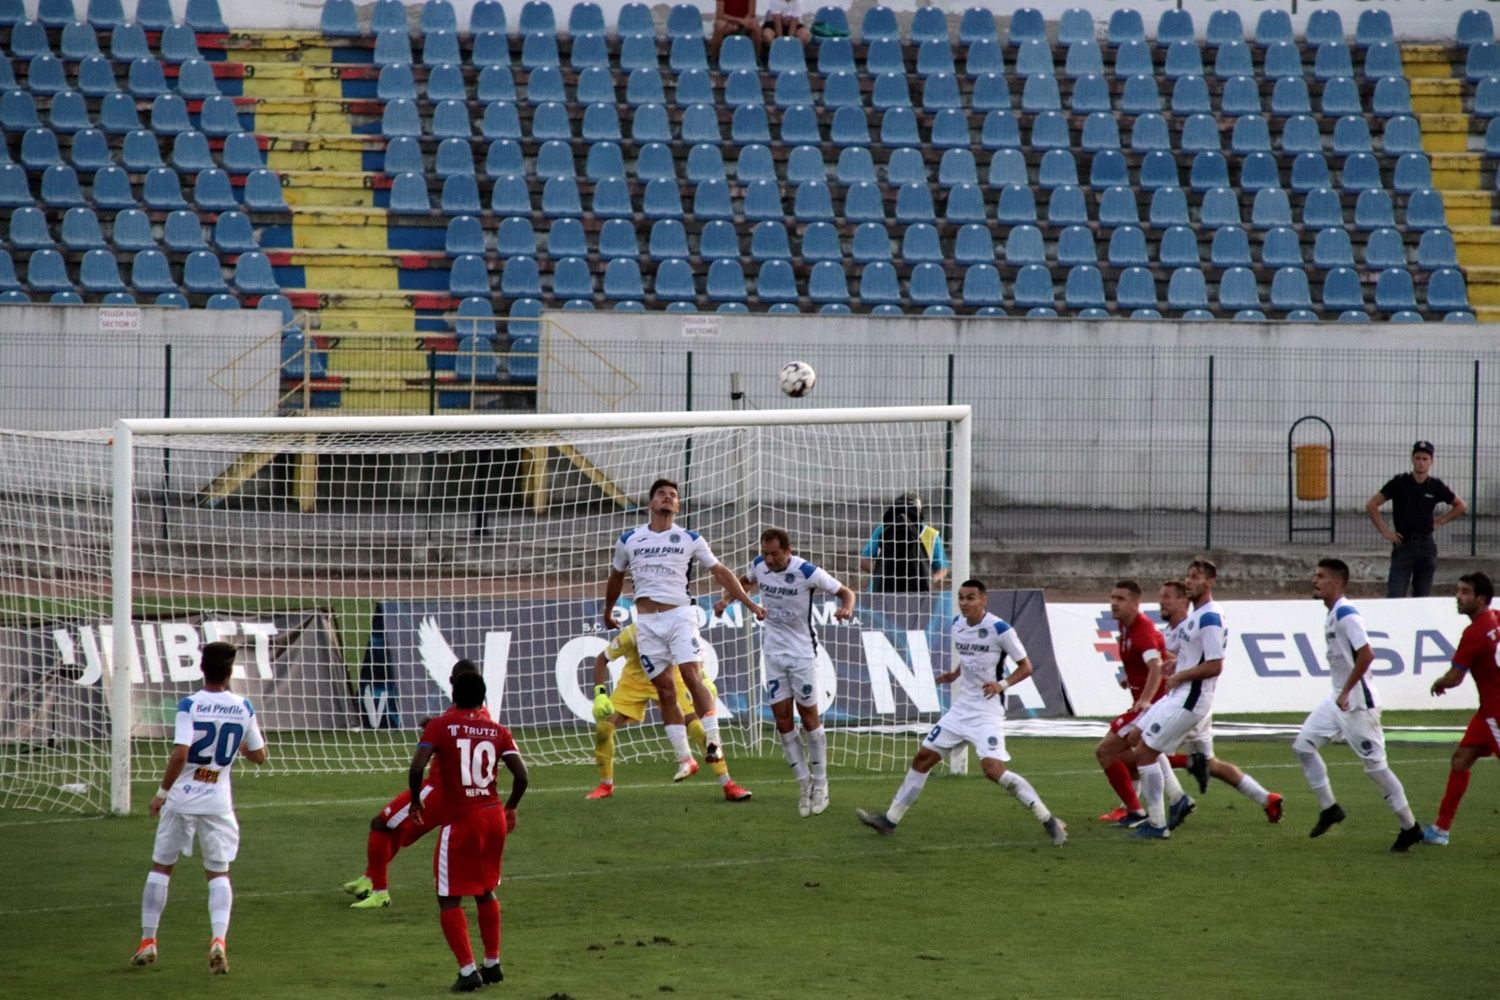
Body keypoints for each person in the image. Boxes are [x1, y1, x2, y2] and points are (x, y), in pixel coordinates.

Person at [855, 579, 1067, 846]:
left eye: (971, 598)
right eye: (961, 598)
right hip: (961, 709)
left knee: (993, 770)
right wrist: (955, 674)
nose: (965, 603)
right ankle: (889, 820)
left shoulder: (1000, 629)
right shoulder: (957, 624)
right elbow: (969, 659)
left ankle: (1047, 818)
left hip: (987, 711)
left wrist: (1000, 685)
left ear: (983, 601)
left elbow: (1026, 667)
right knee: (922, 759)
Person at [602, 478, 765, 786]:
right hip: (647, 622)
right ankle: (685, 759)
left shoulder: (690, 538)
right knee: (665, 690)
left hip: (680, 616)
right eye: (662, 494)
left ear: (677, 506)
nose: (668, 498)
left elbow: (720, 572)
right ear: (651, 503)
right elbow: (616, 576)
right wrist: (607, 610)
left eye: (673, 496)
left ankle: (714, 744)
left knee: (691, 674)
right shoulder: (629, 539)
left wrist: (749, 603)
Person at [131, 641, 268, 974]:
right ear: (230, 671)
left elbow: (181, 753)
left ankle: (149, 940)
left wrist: (161, 793)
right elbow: (260, 756)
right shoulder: (243, 706)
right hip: (218, 801)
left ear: (202, 668)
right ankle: (218, 940)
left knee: (162, 866)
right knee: (218, 873)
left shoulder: (189, 704)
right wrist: (236, 749)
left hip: (182, 799)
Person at [715, 527, 856, 817]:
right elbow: (743, 581)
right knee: (781, 722)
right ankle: (804, 786)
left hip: (803, 654)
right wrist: (727, 600)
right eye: (765, 553)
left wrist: (846, 608)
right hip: (773, 654)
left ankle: (821, 783)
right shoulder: (759, 566)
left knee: (809, 719)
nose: (768, 559)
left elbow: (845, 592)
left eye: (774, 554)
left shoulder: (806, 571)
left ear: (787, 551)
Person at [1294, 559, 1424, 852]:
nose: (1315, 580)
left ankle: (1410, 827)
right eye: (1315, 575)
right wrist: (1340, 693)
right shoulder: (1331, 614)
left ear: (1338, 583)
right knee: (1302, 746)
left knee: (1376, 769)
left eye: (1321, 576)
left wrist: (1347, 692)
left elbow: (1367, 655)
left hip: (1358, 705)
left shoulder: (1346, 614)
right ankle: (1329, 809)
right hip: (1338, 699)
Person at [409, 671, 527, 993]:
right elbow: (522, 775)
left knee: (448, 897)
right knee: (485, 888)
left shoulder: (440, 725)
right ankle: (492, 963)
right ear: (482, 698)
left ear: (454, 696)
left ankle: (467, 971)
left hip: (462, 820)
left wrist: (417, 802)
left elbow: (418, 766)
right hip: (494, 817)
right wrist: (511, 806)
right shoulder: (497, 729)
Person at [341, 659, 484, 909]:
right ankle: (370, 877)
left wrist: (432, 726)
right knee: (398, 830)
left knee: (382, 824)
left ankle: (380, 891)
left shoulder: (449, 719)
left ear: (453, 683)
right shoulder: (484, 716)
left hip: (437, 790)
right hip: (467, 797)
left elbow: (427, 754)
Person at [587, 621, 749, 801]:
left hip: (673, 679)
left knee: (697, 728)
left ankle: (728, 784)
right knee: (604, 728)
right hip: (635, 682)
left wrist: (703, 678)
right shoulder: (632, 633)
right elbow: (602, 659)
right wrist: (599, 694)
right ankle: (606, 785)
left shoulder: (678, 627)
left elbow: (692, 657)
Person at [1422, 572, 1500, 847]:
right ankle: (1441, 830)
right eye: (1458, 590)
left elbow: (1455, 678)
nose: (1458, 596)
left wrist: (1439, 683)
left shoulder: (1475, 632)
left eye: (1465, 592)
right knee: (1461, 760)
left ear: (1480, 599)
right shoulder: (1496, 618)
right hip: (1487, 711)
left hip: (1496, 712)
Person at [1091, 580, 1167, 827]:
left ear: (1136, 603)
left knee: (1105, 751)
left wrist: (1145, 700)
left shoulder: (1141, 629)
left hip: (1149, 706)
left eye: (1120, 599)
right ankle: (1136, 809)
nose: (1114, 603)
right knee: (1128, 757)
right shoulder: (1126, 627)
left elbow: (1155, 666)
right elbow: (1161, 661)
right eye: (1112, 597)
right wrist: (1130, 678)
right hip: (1147, 704)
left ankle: (1137, 812)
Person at [1365, 440, 1467, 598]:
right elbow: (1372, 504)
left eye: (1425, 459)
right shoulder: (1399, 483)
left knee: (1422, 598)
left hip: (1426, 546)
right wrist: (1385, 531)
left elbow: (1461, 505)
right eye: (1418, 458)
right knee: (1395, 596)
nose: (1421, 462)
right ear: (1412, 459)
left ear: (1431, 462)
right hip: (1403, 545)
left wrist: (1440, 521)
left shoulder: (1435, 486)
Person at [859, 492, 949, 593]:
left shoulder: (931, 535)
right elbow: (865, 561)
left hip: (919, 594)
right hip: (882, 592)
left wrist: (929, 578)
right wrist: (885, 573)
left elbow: (942, 568)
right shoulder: (883, 529)